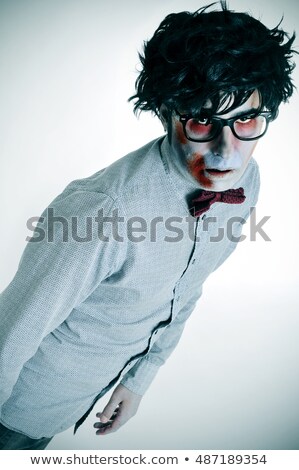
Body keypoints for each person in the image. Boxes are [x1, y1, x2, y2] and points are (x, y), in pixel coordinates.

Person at [0, 1, 296, 450]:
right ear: (165, 112)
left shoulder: (246, 183)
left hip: (76, 402)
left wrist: (140, 378)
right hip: (17, 414)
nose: (225, 153)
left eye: (246, 121)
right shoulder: (102, 212)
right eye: (202, 121)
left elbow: (186, 288)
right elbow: (10, 335)